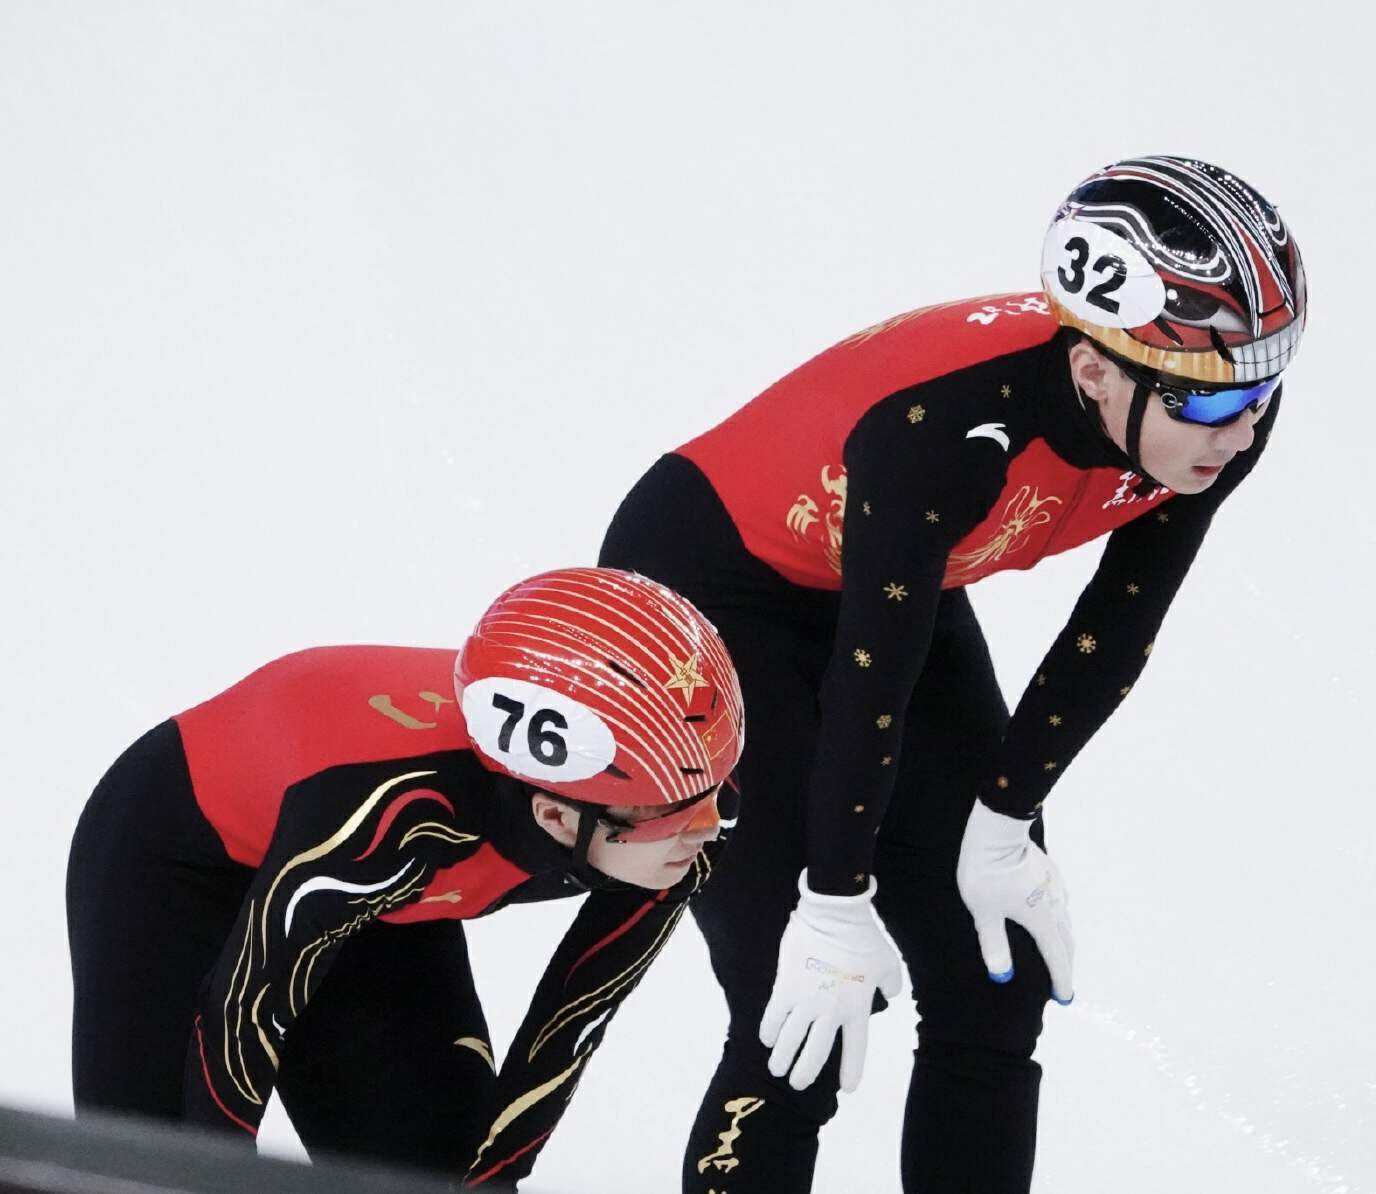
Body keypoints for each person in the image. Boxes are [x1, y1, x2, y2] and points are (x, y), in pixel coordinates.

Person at [598, 155, 1308, 1192]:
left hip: (885, 583)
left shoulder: (1216, 405)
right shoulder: (943, 431)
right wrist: (833, 897)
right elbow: (868, 689)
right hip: (708, 587)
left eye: (1263, 391)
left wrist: (1007, 816)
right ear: (1095, 371)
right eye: (1211, 406)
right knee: (798, 1012)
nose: (1241, 434)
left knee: (994, 974)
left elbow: (1113, 629)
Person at [66, 567, 744, 1188]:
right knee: (151, 1173)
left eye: (714, 792)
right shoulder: (403, 814)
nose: (710, 824)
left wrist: (494, 1175)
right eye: (674, 812)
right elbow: (243, 1017)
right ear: (558, 817)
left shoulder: (684, 805)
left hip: (382, 900)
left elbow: (573, 1016)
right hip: (186, 868)